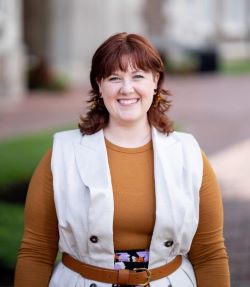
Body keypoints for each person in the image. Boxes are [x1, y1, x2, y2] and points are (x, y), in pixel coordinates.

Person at [15, 32, 230, 287]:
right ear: (99, 84)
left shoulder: (189, 155)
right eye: (114, 78)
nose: (127, 89)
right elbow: (36, 252)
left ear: (155, 81)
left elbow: (209, 254)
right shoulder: (63, 154)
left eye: (138, 76)